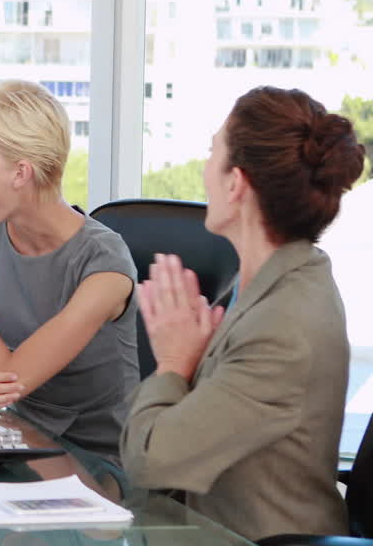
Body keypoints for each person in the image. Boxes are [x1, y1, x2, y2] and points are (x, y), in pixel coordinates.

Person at [120, 86, 365, 541]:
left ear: (235, 183)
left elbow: (151, 460)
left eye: (212, 152)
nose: (204, 169)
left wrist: (173, 363)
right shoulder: (261, 284)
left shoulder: (283, 327)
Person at [0, 79, 138, 459]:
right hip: (19, 441)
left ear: (20, 174)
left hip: (99, 462)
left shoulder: (104, 264)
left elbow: (3, 382)